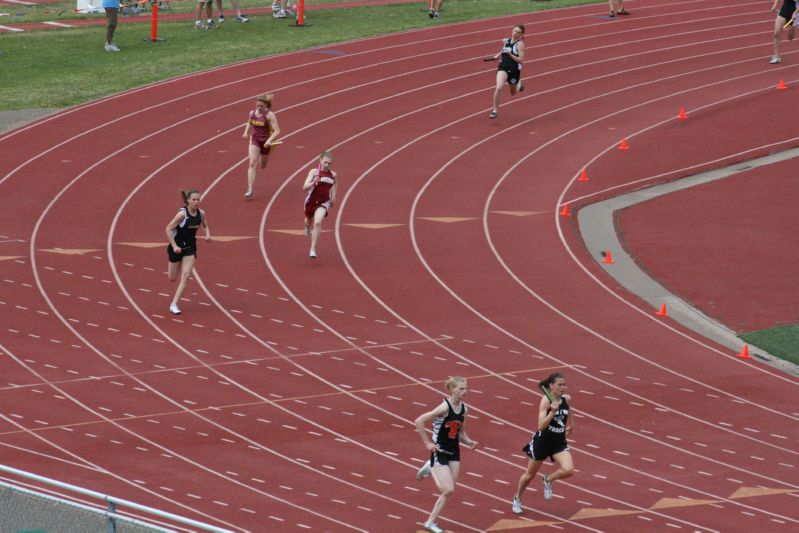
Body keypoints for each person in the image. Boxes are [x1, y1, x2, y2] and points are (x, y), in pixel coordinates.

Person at [414, 376, 478, 533]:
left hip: (454, 452)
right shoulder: (444, 407)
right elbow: (419, 421)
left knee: (449, 490)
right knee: (447, 489)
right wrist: (428, 443)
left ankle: (430, 521)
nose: (465, 391)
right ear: (452, 390)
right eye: (462, 388)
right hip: (440, 451)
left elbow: (460, 432)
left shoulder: (464, 409)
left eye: (466, 388)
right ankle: (431, 466)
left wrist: (469, 442)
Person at [511, 372, 575, 515]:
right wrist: (552, 412)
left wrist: (572, 425)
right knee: (529, 476)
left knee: (569, 470)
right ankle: (517, 498)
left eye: (564, 385)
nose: (563, 387)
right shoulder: (546, 400)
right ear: (551, 386)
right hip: (542, 443)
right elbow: (540, 426)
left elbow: (569, 412)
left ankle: (548, 479)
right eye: (560, 385)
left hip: (558, 443)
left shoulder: (567, 399)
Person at [166, 190, 211, 315]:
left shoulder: (201, 214)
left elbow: (205, 225)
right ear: (188, 201)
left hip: (190, 248)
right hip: (177, 247)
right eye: (194, 200)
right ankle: (176, 263)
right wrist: (174, 246)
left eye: (198, 199)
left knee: (186, 276)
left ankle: (174, 304)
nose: (196, 202)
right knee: (172, 277)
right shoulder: (182, 215)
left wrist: (207, 235)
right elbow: (168, 229)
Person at [241, 93, 280, 199]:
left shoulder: (269, 115)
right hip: (255, 140)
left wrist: (269, 140)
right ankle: (250, 189)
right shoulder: (252, 113)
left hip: (266, 142)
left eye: (261, 106)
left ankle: (262, 157)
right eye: (257, 106)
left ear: (266, 105)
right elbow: (249, 122)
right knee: (252, 163)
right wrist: (245, 132)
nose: (259, 108)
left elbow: (277, 131)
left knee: (262, 165)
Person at [302, 151, 337, 259]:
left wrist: (333, 197)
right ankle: (307, 226)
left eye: (329, 163)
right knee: (308, 221)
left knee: (317, 222)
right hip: (311, 202)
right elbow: (304, 187)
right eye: (325, 162)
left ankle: (313, 249)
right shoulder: (313, 172)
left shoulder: (333, 175)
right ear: (320, 160)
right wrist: (313, 182)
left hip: (323, 202)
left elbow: (334, 185)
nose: (327, 165)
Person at [490, 24, 526, 120]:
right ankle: (495, 111)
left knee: (513, 93)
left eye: (518, 32)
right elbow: (504, 50)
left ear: (521, 34)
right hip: (503, 68)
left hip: (514, 70)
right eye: (514, 30)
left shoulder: (520, 45)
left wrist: (510, 54)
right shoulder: (507, 40)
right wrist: (497, 56)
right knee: (499, 87)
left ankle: (519, 85)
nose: (515, 33)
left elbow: (521, 60)